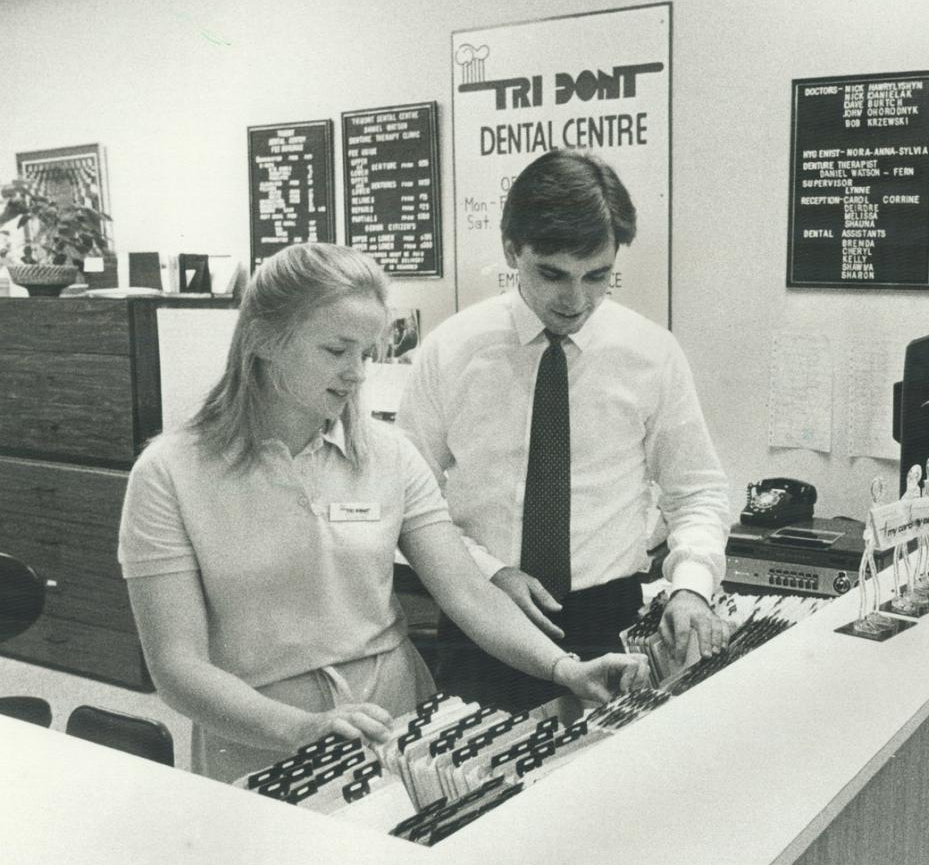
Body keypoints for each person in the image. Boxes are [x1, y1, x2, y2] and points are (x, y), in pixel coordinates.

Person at [119, 243, 645, 783]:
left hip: (393, 721)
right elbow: (177, 668)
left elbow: (468, 592)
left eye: (367, 354)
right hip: (256, 733)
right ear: (262, 340)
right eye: (336, 350)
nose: (355, 374)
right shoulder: (169, 473)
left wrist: (565, 668)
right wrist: (301, 728)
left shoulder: (390, 455)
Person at [398, 149, 730, 714]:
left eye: (597, 276)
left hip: (612, 623)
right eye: (551, 273)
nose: (575, 299)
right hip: (483, 617)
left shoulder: (651, 354)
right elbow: (409, 501)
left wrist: (694, 584)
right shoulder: (451, 352)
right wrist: (486, 571)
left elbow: (696, 491)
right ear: (512, 250)